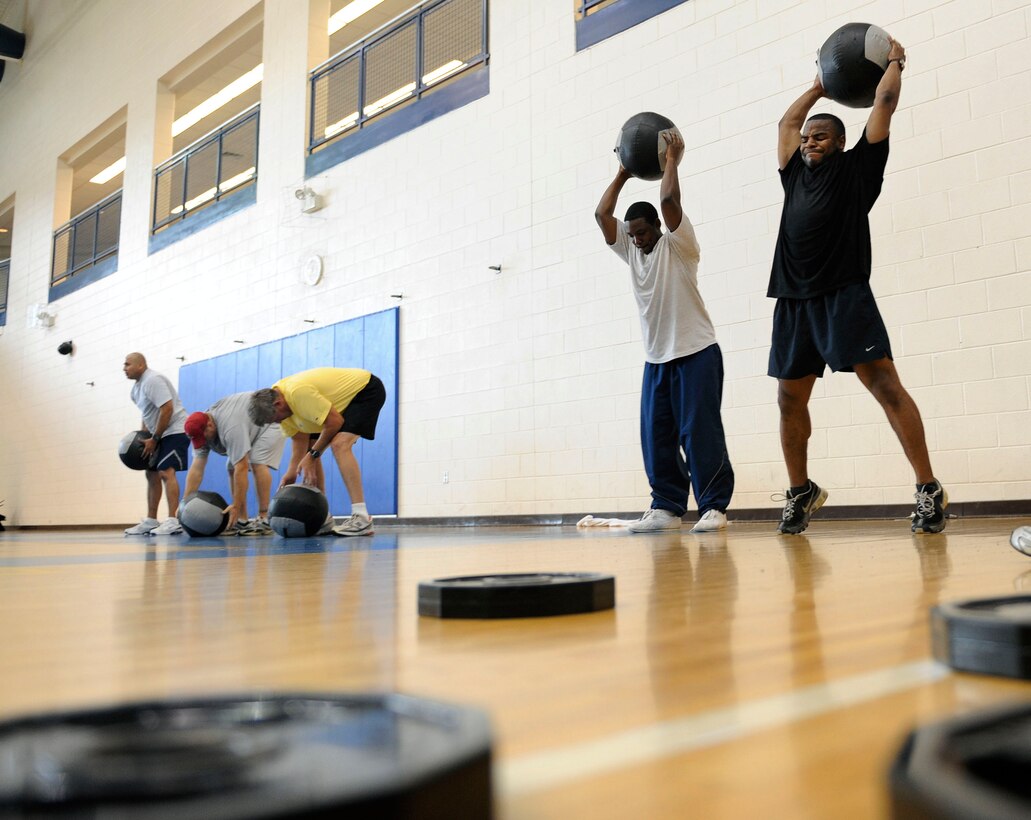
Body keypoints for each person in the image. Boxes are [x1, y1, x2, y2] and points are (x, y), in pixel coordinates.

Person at [768, 36, 947, 535]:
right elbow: (786, 125)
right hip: (794, 301)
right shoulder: (792, 174)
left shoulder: (859, 170)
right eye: (808, 138)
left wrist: (895, 62)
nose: (809, 142)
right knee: (789, 400)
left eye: (820, 137)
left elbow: (884, 102)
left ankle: (928, 489)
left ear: (840, 143)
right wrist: (818, 87)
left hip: (844, 295)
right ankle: (800, 492)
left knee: (885, 386)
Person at [595, 129, 735, 533]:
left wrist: (671, 159)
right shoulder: (631, 248)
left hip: (697, 352)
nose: (637, 240)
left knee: (699, 433)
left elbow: (670, 200)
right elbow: (602, 216)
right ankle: (667, 508)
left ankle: (713, 507)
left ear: (658, 226)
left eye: (643, 232)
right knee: (656, 435)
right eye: (633, 234)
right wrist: (623, 173)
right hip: (656, 359)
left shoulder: (680, 245)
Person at [248, 367, 386, 536]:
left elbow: (334, 422)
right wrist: (292, 472)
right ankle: (323, 517)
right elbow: (300, 439)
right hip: (331, 408)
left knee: (339, 445)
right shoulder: (278, 405)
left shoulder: (297, 393)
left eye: (274, 419)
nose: (276, 423)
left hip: (364, 390)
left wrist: (313, 455)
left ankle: (362, 517)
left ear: (278, 404)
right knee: (311, 450)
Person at [182, 392, 287, 535]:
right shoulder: (198, 427)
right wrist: (185, 503)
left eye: (203, 437)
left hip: (269, 420)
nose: (203, 441)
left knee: (257, 462)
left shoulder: (230, 428)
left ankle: (264, 517)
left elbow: (242, 468)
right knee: (230, 467)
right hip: (246, 422)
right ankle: (241, 519)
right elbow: (197, 468)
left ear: (210, 425)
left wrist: (235, 506)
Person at [122, 352, 189, 535]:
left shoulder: (153, 380)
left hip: (175, 430)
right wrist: (144, 438)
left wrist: (155, 438)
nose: (124, 368)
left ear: (141, 365)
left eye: (127, 364)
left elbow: (167, 409)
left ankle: (173, 520)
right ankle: (151, 520)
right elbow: (147, 415)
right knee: (151, 473)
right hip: (158, 434)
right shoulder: (135, 390)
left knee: (166, 471)